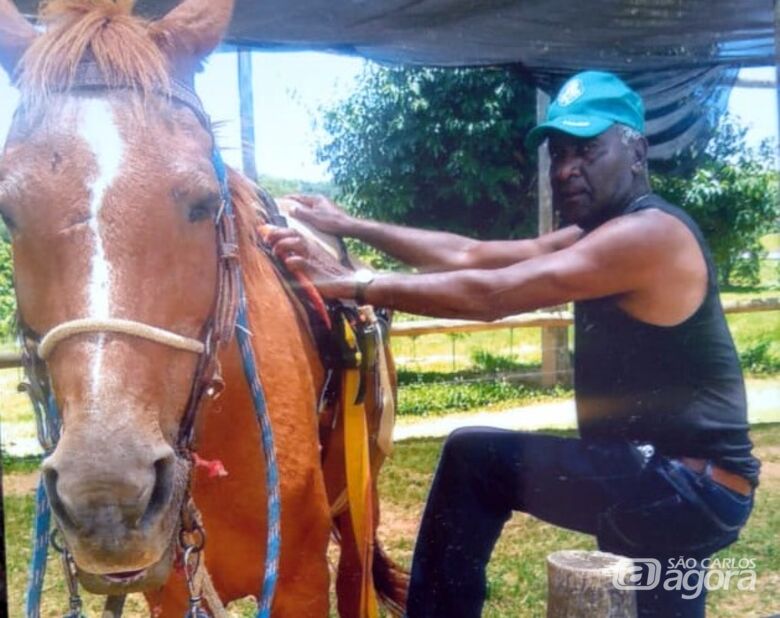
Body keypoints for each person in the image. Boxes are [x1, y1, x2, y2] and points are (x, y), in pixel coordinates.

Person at [266, 71, 759, 618]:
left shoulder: (650, 235)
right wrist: (350, 225)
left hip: (680, 485)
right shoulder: (599, 232)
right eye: (559, 153)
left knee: (473, 460)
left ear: (636, 150)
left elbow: (491, 293)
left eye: (587, 149)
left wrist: (352, 283)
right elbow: (471, 257)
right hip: (675, 487)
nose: (567, 168)